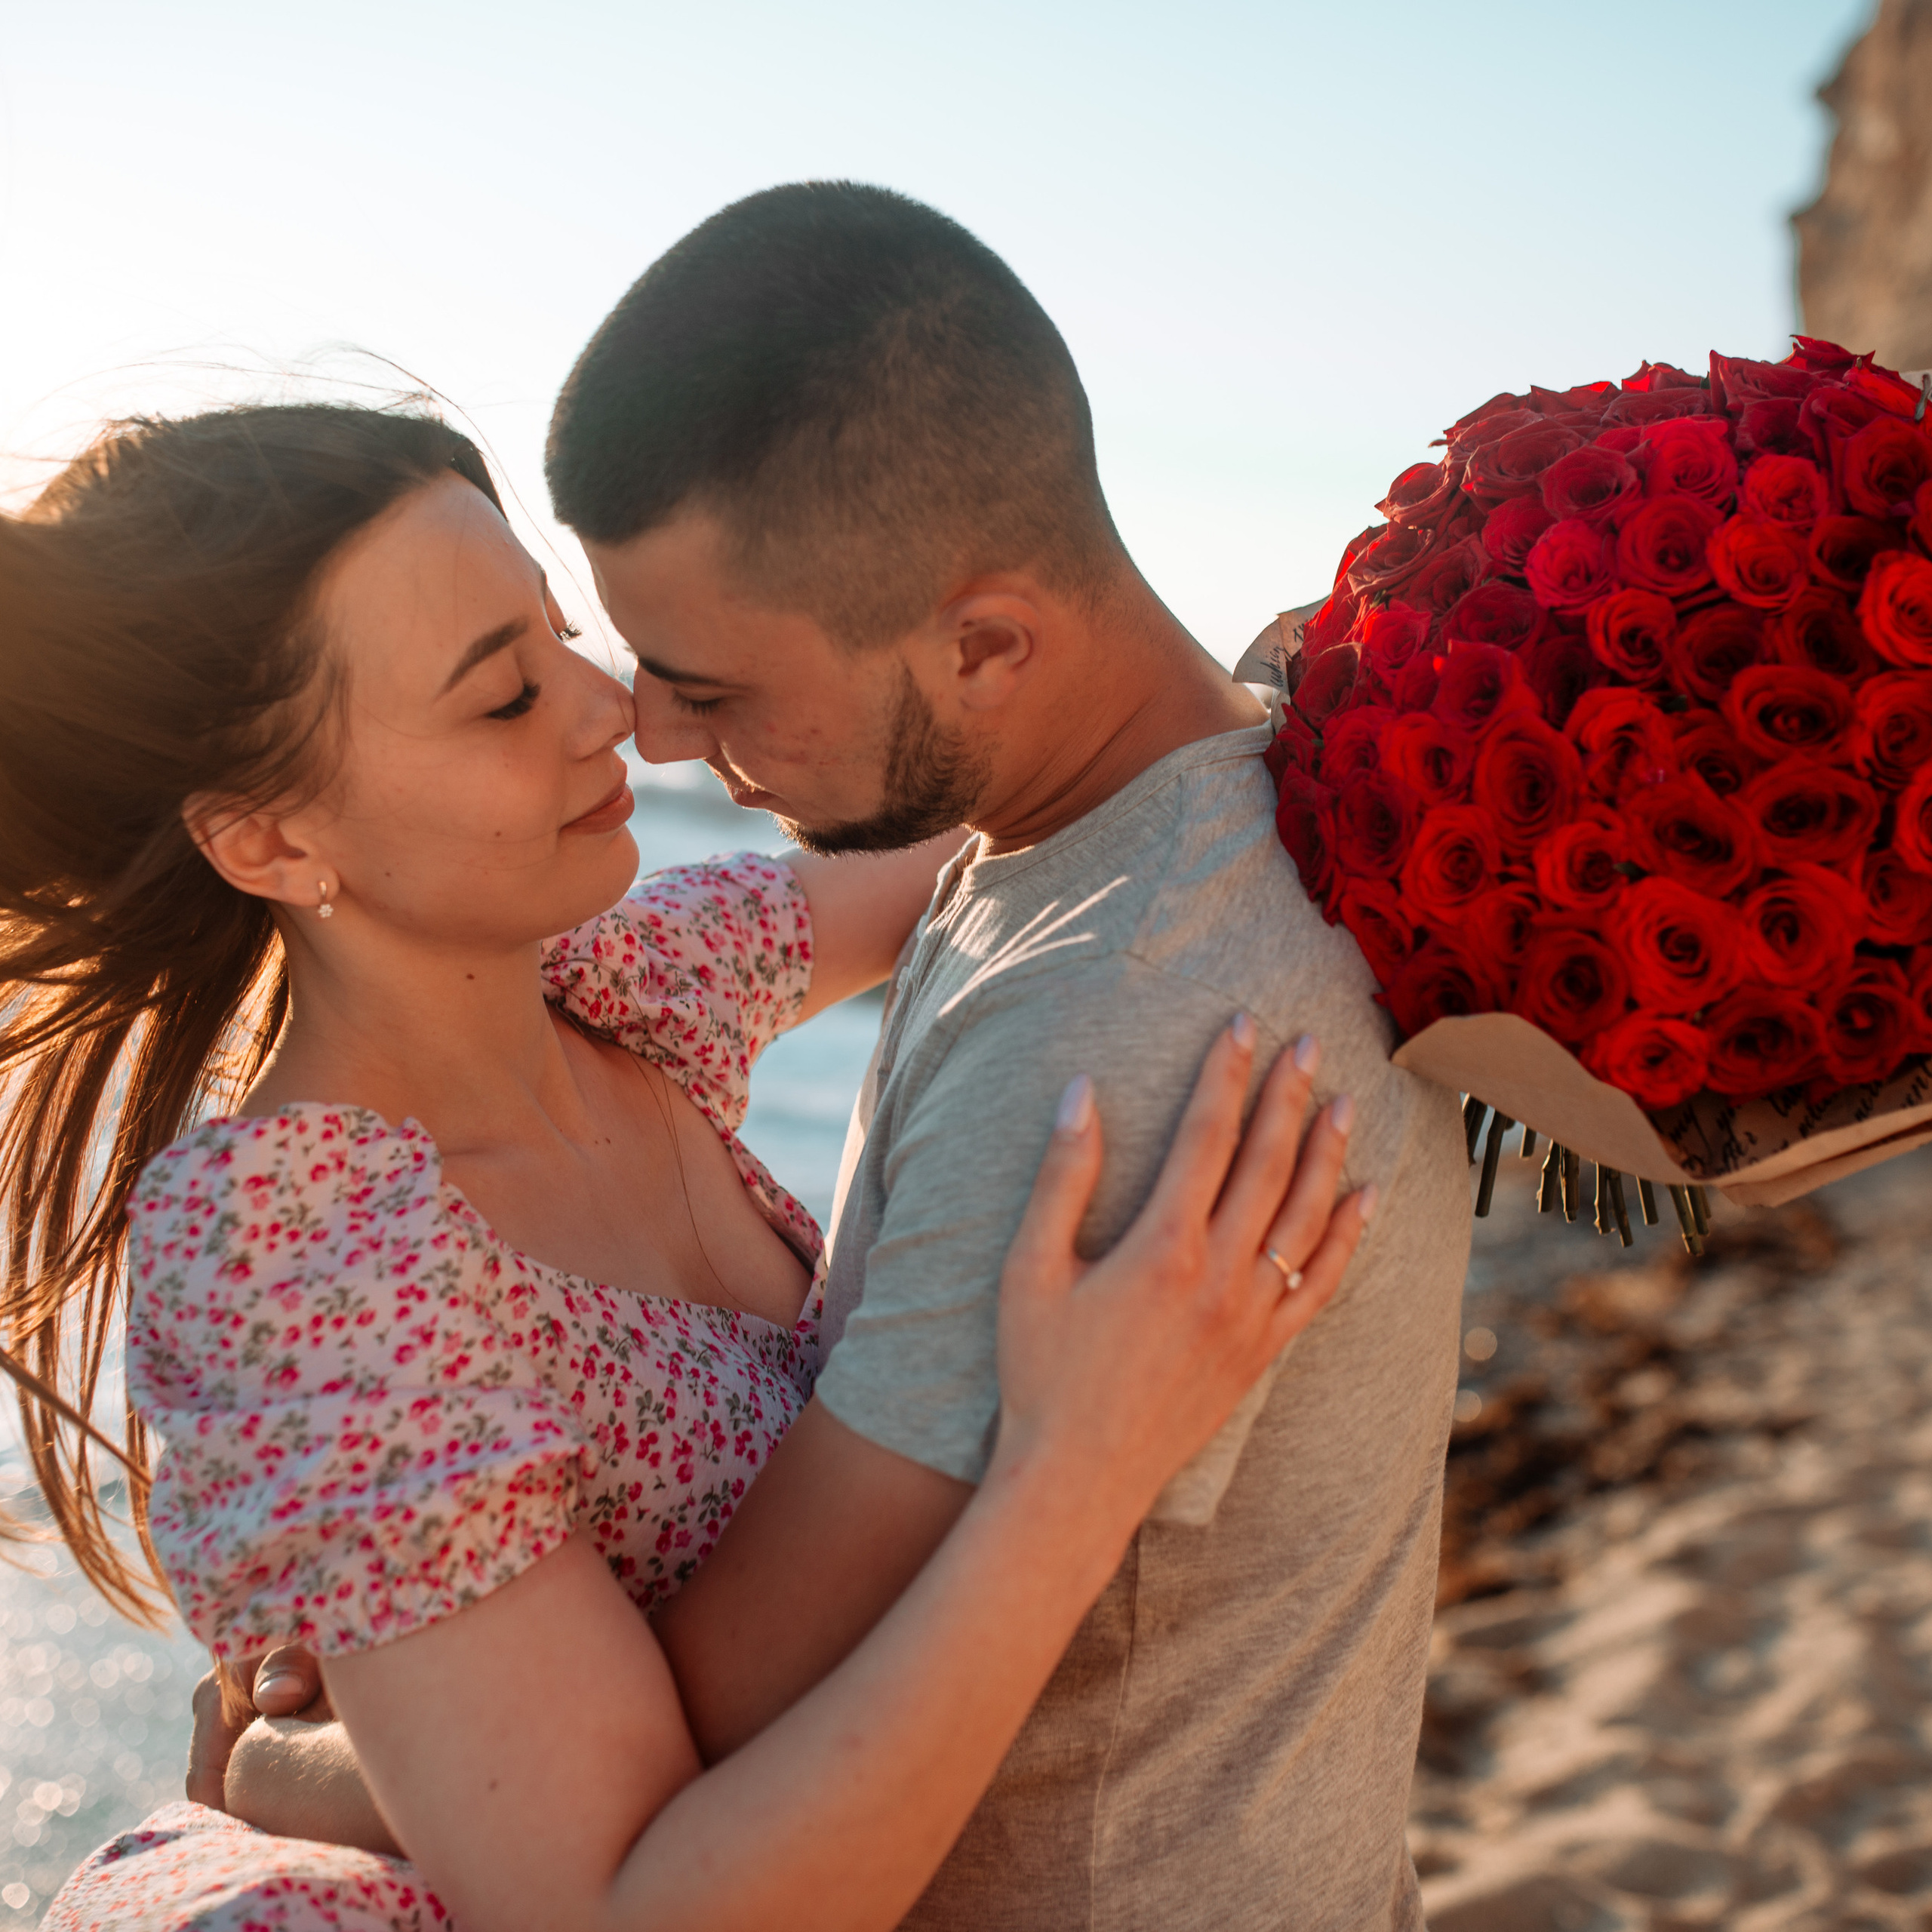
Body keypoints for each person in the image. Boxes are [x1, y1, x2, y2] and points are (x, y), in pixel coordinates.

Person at [224, 182, 1472, 1928]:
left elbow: (701, 1728)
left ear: (984, 643)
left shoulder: (1110, 1029)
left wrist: (283, 1766)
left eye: (709, 687)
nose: (641, 728)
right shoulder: (1083, 833)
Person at [1, 401, 1368, 1932]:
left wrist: (1327, 672)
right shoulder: (303, 1249)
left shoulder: (614, 983)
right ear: (266, 842)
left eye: (558, 629)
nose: (613, 712)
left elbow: (1032, 792)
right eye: (506, 696)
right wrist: (1079, 1466)